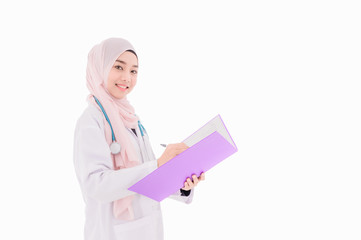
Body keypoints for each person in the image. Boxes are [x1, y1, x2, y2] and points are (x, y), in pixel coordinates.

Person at [73, 38, 205, 240]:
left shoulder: (131, 119)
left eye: (133, 71)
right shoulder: (91, 120)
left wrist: (181, 183)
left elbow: (151, 178)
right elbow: (95, 186)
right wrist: (158, 164)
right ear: (100, 68)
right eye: (119, 67)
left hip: (146, 230)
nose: (127, 77)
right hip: (111, 232)